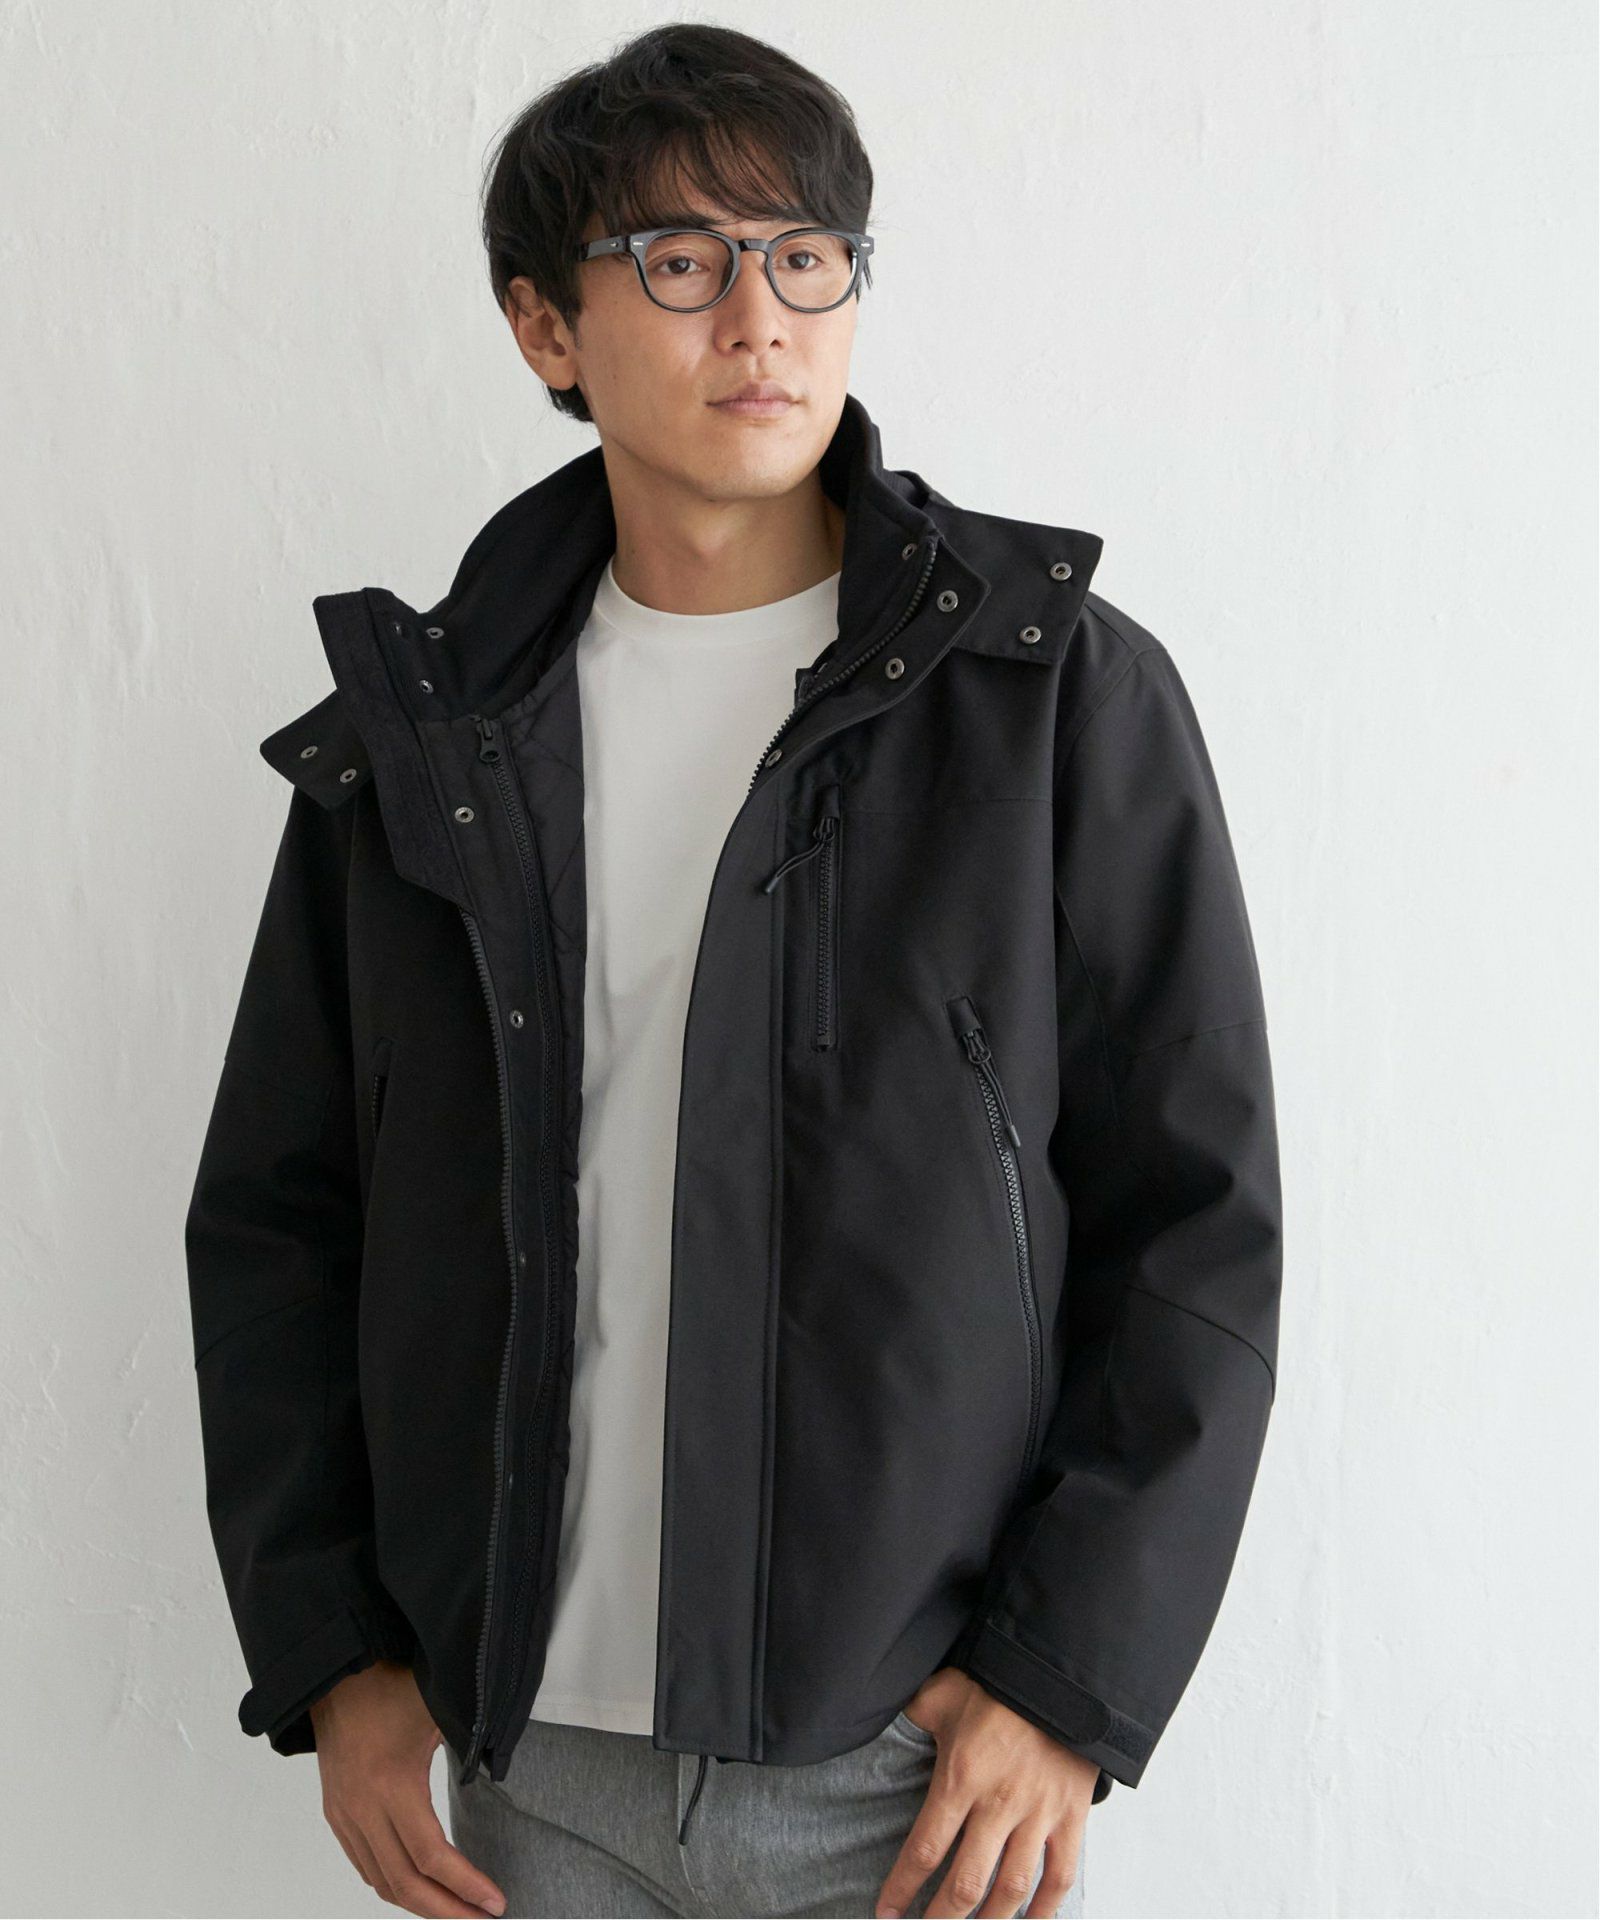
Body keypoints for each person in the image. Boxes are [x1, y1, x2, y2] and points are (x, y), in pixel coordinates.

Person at [184, 22, 1282, 1920]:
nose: (760, 319)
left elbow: (1198, 1222)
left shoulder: (1046, 698)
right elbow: (282, 1224)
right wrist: (335, 1654)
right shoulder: (421, 744)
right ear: (546, 327)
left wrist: (1065, 1682)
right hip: (525, 1759)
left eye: (806, 256)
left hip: (904, 1772)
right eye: (682, 262)